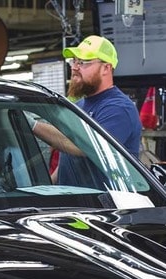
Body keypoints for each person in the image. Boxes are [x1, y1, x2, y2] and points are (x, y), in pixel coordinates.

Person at [35, 35, 141, 186]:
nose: (74, 67)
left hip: (103, 200)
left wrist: (32, 125)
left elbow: (83, 146)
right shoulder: (78, 106)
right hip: (71, 198)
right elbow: (69, 158)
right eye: (74, 61)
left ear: (106, 68)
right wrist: (49, 185)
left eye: (83, 62)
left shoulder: (118, 108)